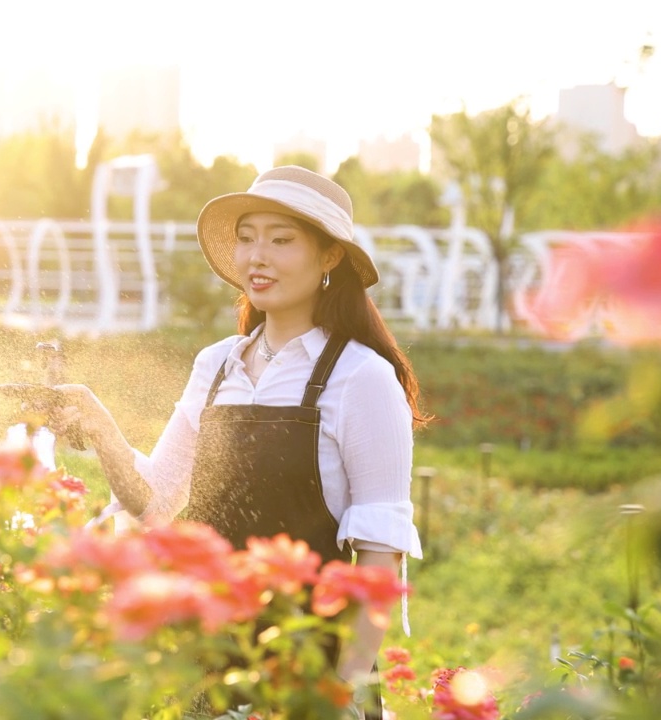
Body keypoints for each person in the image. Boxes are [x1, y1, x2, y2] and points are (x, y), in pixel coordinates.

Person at [46, 166, 426, 719]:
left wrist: (341, 699)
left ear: (329, 257)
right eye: (246, 238)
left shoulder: (360, 376)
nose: (257, 256)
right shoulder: (216, 365)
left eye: (281, 239)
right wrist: (99, 425)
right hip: (211, 663)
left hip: (308, 671)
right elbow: (156, 502)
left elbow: (377, 558)